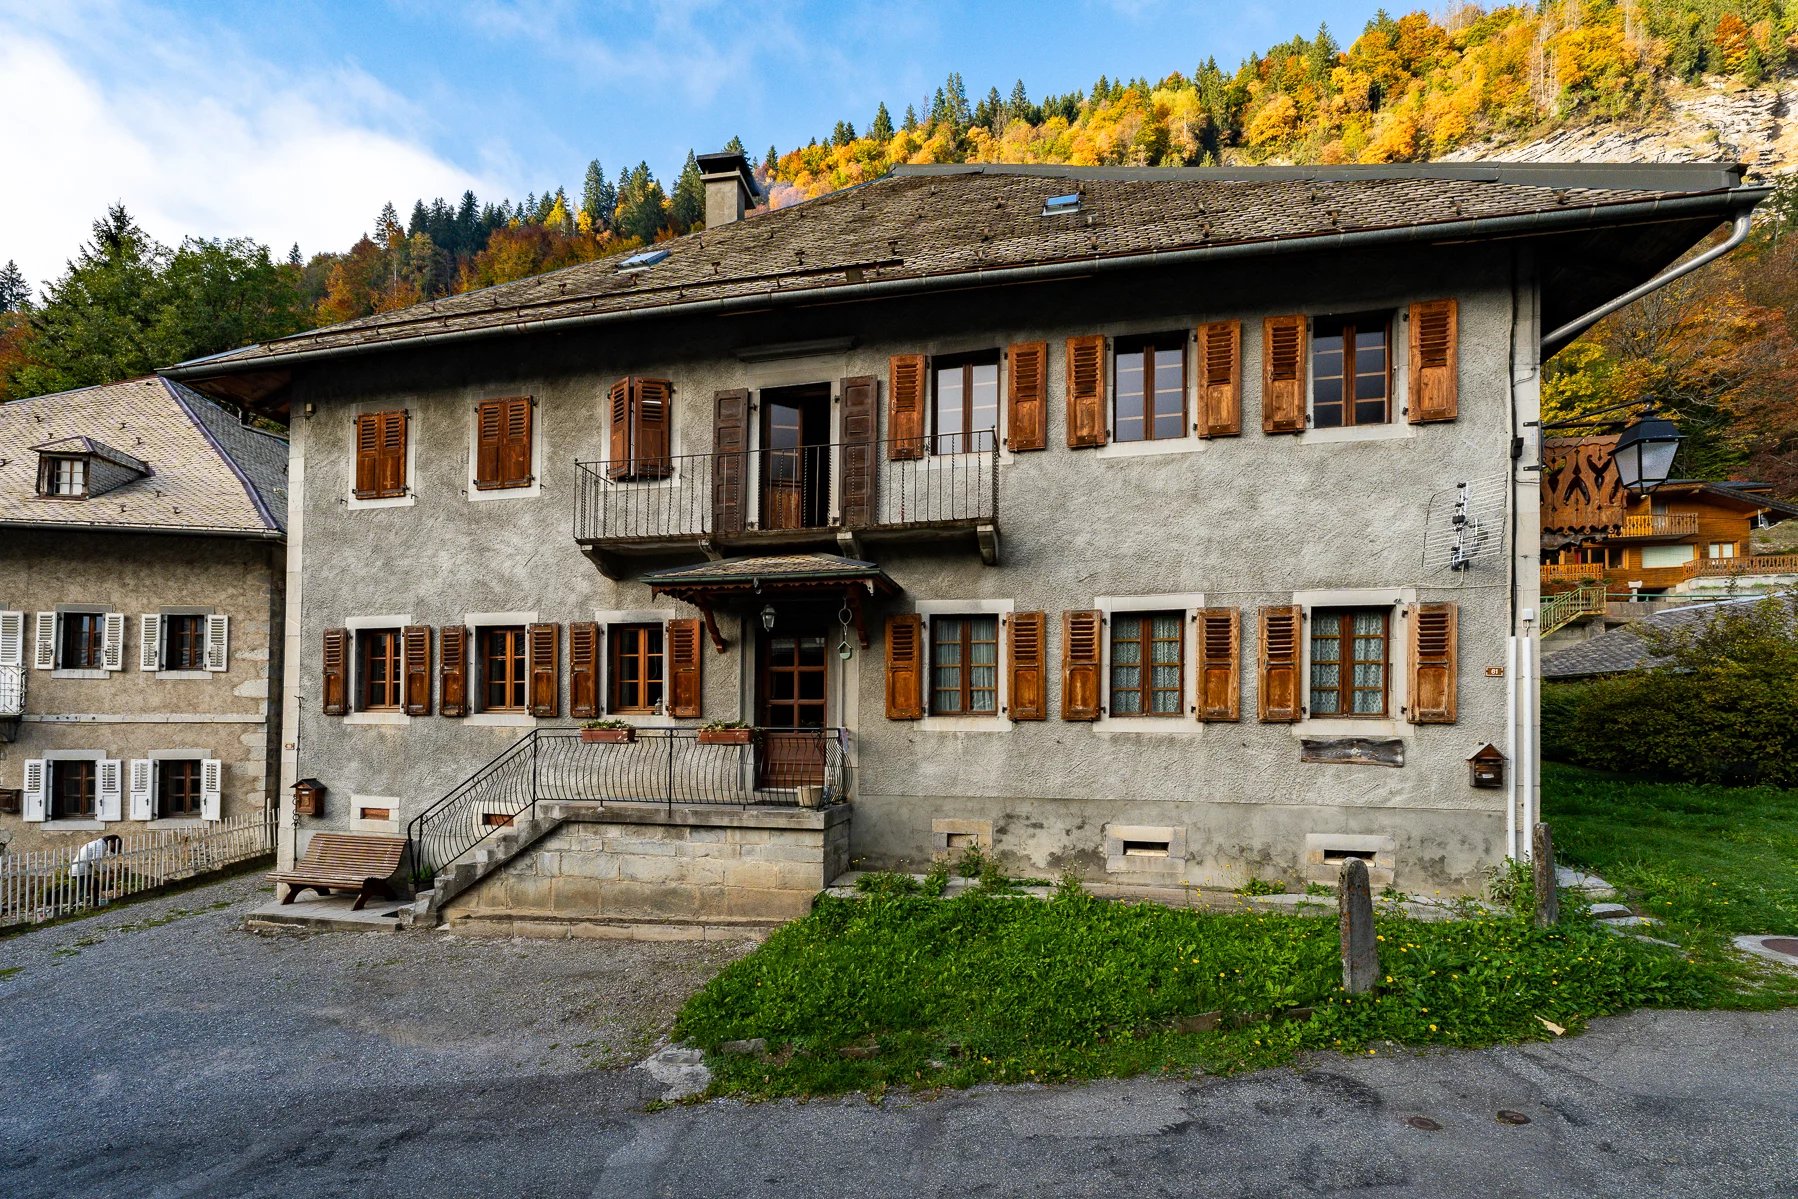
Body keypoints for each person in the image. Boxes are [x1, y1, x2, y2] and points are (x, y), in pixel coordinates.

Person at [70, 834, 121, 906]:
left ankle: (91, 903)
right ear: (112, 842)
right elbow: (95, 862)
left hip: (82, 869)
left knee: (93, 886)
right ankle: (79, 905)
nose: (114, 847)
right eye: (115, 845)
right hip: (81, 871)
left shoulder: (97, 843)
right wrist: (106, 871)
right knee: (87, 889)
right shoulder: (101, 845)